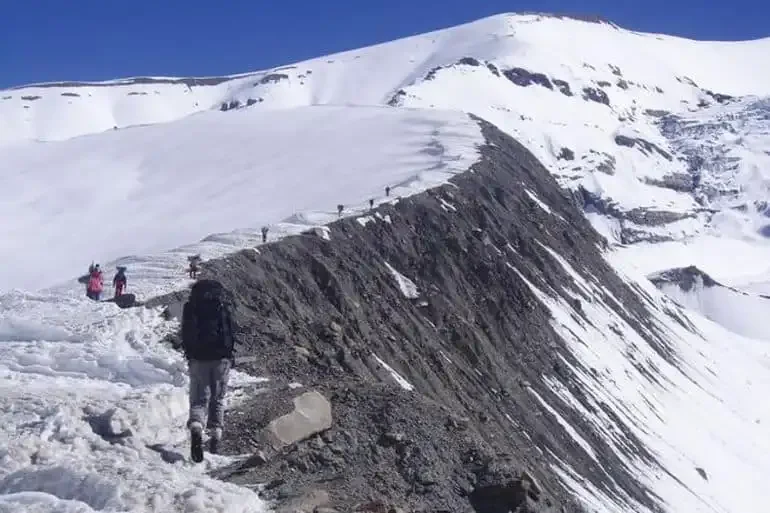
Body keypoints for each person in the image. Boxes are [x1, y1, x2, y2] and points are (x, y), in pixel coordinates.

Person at [180, 279, 236, 462]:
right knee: (218, 398)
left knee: (199, 398)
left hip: (198, 358)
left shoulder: (191, 307)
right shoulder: (221, 306)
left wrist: (190, 353)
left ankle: (196, 426)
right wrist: (229, 354)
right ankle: (215, 437)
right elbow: (230, 332)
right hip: (221, 359)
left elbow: (186, 332)